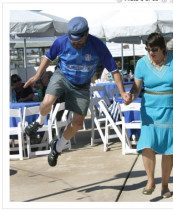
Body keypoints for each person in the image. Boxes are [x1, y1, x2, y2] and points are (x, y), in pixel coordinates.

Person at [23, 16, 130, 167]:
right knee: (47, 102)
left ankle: (57, 147)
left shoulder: (97, 45)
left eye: (79, 42)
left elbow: (114, 70)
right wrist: (37, 75)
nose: (76, 44)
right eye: (73, 42)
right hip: (62, 76)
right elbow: (47, 57)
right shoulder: (61, 42)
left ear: (86, 34)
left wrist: (123, 92)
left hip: (82, 85)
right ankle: (39, 122)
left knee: (78, 123)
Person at [127, 33, 173, 199]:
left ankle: (165, 185)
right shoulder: (141, 63)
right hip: (150, 109)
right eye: (148, 50)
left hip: (171, 108)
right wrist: (130, 96)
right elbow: (136, 88)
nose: (151, 53)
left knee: (168, 148)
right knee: (146, 144)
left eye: (154, 50)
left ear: (163, 49)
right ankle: (150, 181)